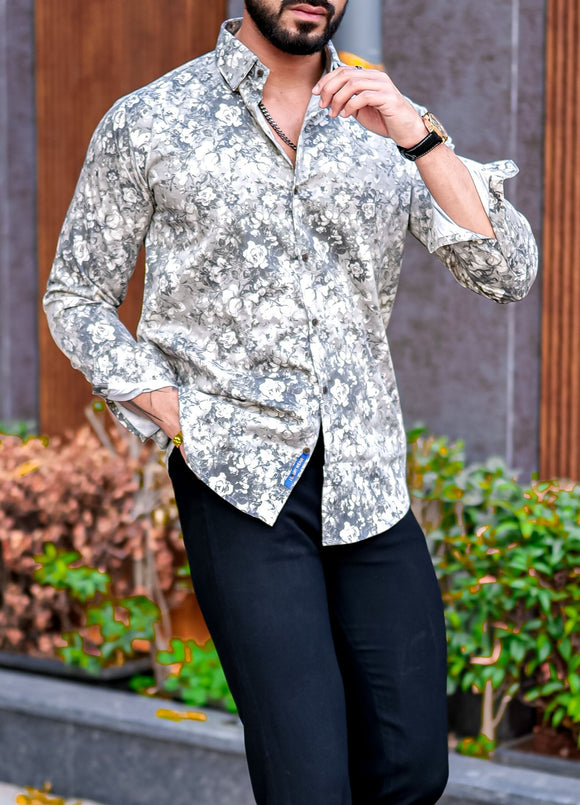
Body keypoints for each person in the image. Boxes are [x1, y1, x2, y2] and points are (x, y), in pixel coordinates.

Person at [43, 2, 538, 803]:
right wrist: (175, 413)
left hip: (369, 484)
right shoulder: (150, 120)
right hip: (239, 486)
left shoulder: (383, 120)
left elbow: (506, 272)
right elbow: (77, 295)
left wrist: (417, 135)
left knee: (412, 767)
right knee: (307, 781)